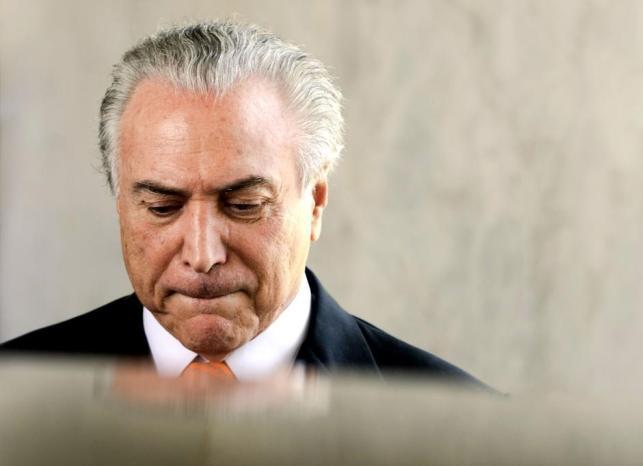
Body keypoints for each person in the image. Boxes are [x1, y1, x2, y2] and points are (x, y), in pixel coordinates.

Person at [0, 21, 490, 389]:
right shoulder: (14, 391)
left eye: (244, 204)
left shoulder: (460, 432)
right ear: (120, 206)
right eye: (162, 207)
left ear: (315, 203)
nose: (202, 255)